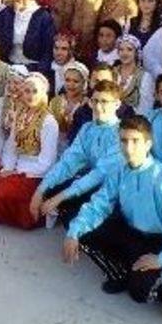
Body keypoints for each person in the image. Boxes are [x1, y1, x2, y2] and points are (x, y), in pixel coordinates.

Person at [61, 117, 162, 302]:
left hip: (160, 240)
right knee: (77, 225)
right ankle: (120, 272)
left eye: (135, 141)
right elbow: (99, 205)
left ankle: (160, 274)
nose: (128, 148)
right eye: (124, 141)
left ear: (148, 144)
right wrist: (74, 232)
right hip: (132, 233)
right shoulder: (119, 171)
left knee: (140, 293)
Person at [29, 80, 125, 225]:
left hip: (113, 189)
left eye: (104, 102)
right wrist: (40, 190)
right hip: (91, 182)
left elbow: (100, 174)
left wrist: (60, 198)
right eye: (95, 101)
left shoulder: (122, 132)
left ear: (117, 104)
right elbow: (68, 162)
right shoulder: (87, 128)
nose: (98, 107)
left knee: (74, 216)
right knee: (45, 189)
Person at [0, 73, 60, 229]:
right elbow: (11, 145)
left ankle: (37, 214)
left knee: (5, 194)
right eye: (27, 91)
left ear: (43, 94)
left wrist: (19, 172)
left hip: (36, 174)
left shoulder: (49, 121)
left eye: (35, 91)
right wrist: (8, 169)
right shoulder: (20, 114)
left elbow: (47, 161)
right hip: (18, 169)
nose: (30, 96)